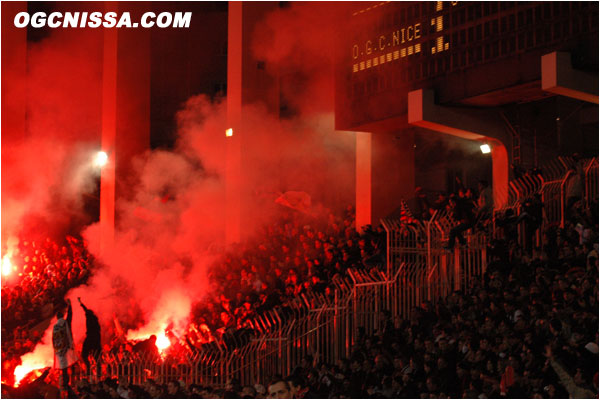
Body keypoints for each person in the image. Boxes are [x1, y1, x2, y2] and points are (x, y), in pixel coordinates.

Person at [52, 299, 78, 390]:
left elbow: (53, 340)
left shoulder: (55, 327)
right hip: (68, 348)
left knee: (64, 369)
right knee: (73, 364)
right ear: (63, 316)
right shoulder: (66, 323)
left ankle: (66, 385)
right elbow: (70, 315)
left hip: (60, 350)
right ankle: (74, 381)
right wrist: (70, 305)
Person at [78, 297, 101, 378]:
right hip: (96, 339)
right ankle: (97, 373)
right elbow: (86, 310)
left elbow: (86, 310)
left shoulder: (90, 318)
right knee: (96, 357)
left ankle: (89, 369)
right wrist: (81, 304)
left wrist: (81, 304)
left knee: (84, 354)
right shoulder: (95, 320)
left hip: (91, 338)